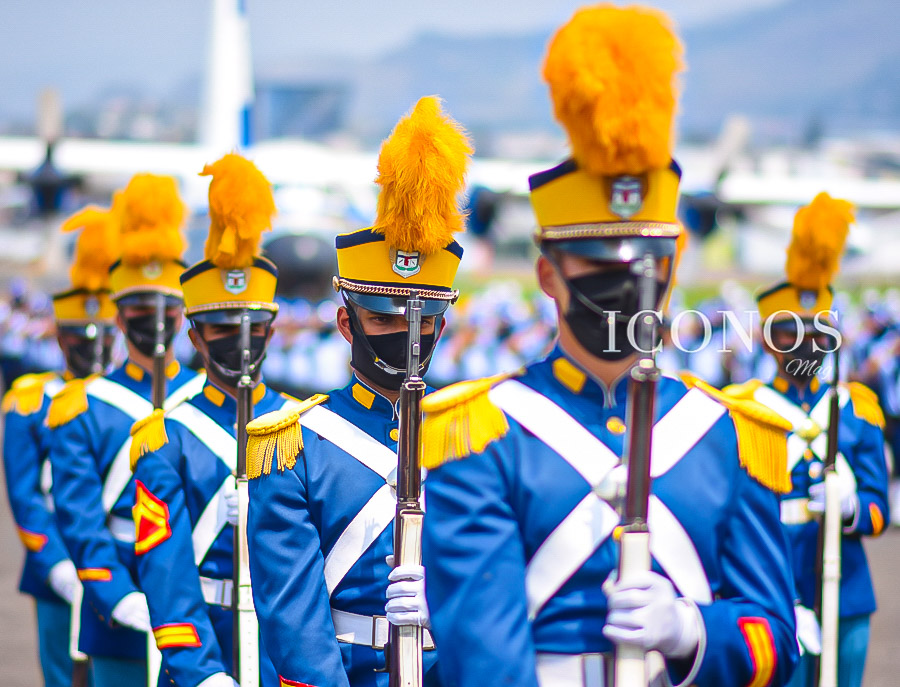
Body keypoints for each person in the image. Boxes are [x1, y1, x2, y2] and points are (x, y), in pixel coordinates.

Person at [418, 6, 799, 687]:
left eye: (642, 271)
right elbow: (484, 659)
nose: (624, 290)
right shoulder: (481, 435)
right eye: (600, 271)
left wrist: (691, 631)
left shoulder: (731, 434)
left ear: (671, 272)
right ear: (548, 274)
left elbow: (774, 636)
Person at [245, 95, 471, 687]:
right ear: (348, 325)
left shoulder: (479, 437)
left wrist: (447, 606)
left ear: (441, 327)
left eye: (421, 323)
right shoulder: (295, 445)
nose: (405, 335)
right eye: (384, 321)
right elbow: (293, 619)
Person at [129, 153, 299, 687]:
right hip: (204, 652)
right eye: (222, 330)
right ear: (196, 337)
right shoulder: (166, 437)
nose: (241, 341)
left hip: (280, 656)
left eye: (253, 328)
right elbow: (165, 569)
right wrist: (200, 673)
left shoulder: (303, 427)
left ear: (272, 333)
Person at [47, 174, 206, 687]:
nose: (153, 322)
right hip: (121, 599)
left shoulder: (207, 402)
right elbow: (80, 517)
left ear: (182, 315)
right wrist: (115, 595)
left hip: (199, 601)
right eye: (139, 310)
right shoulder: (83, 407)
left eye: (165, 310)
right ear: (118, 316)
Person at [726, 192, 889, 687]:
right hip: (771, 583)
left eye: (819, 334)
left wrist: (851, 506)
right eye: (792, 333)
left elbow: (879, 507)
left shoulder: (855, 407)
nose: (808, 345)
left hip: (845, 587)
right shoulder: (741, 408)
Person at [2, 205, 119, 685]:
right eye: (77, 337)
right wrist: (54, 564)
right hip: (57, 570)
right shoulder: (30, 399)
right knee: (60, 674)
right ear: (61, 339)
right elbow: (25, 494)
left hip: (116, 561)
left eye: (100, 336)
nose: (90, 348)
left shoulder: (124, 401)